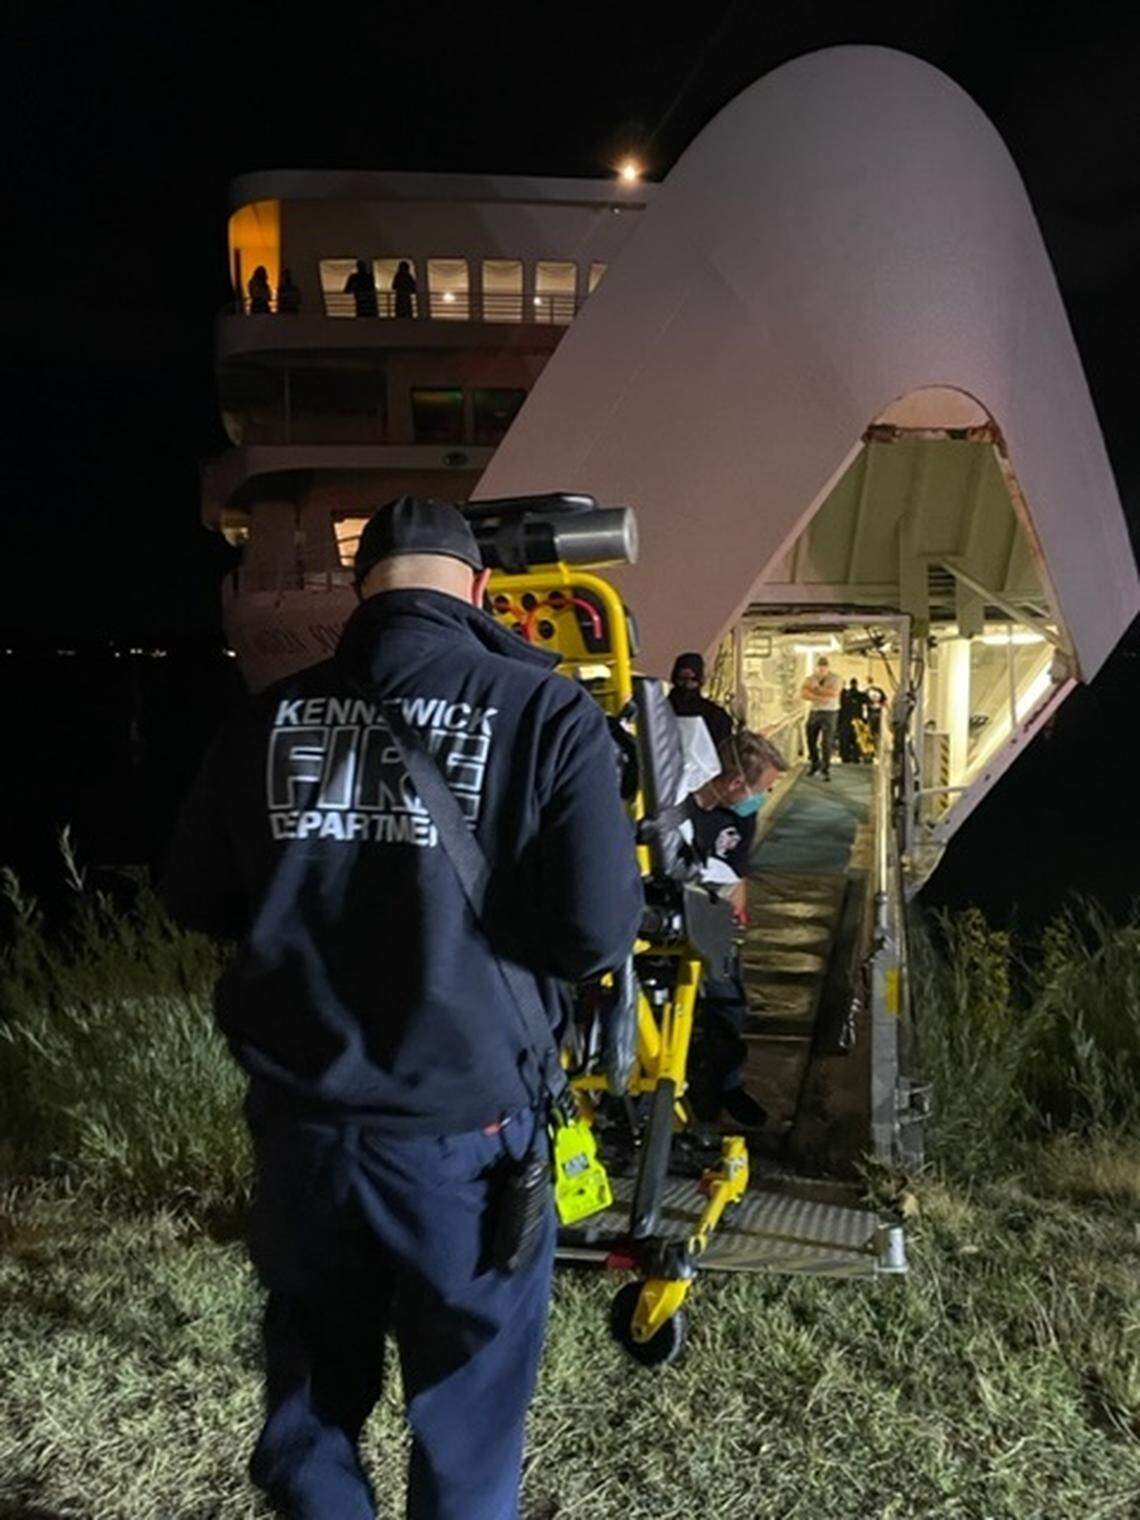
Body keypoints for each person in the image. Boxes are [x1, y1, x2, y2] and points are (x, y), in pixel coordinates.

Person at [161, 496, 643, 1520]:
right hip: (465, 1137)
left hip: (304, 1128)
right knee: (466, 1418)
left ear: (360, 589)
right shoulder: (548, 713)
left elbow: (194, 893)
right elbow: (596, 933)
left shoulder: (267, 716)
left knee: (311, 1402)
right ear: (476, 590)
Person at [684, 727, 787, 1127]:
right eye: (762, 789)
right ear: (734, 782)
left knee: (729, 1007)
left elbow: (739, 874)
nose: (762, 799)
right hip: (677, 920)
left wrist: (735, 915)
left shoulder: (741, 818)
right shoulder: (682, 809)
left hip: (716, 923)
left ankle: (727, 1087)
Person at [668, 651, 732, 751]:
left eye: (692, 680)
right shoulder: (662, 711)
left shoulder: (715, 716)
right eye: (681, 679)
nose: (686, 684)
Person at [801, 654, 842, 780]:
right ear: (817, 667)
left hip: (830, 712)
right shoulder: (810, 678)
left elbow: (834, 693)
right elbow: (804, 693)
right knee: (810, 739)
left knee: (826, 741)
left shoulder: (836, 678)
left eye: (824, 667)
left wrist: (815, 689)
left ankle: (825, 768)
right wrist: (820, 695)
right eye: (820, 667)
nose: (822, 669)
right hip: (815, 711)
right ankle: (815, 763)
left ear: (828, 668)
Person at [837, 677, 867, 763]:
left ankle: (847, 756)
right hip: (856, 719)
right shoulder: (860, 695)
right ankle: (855, 756)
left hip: (846, 719)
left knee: (846, 740)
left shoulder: (845, 695)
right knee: (856, 739)